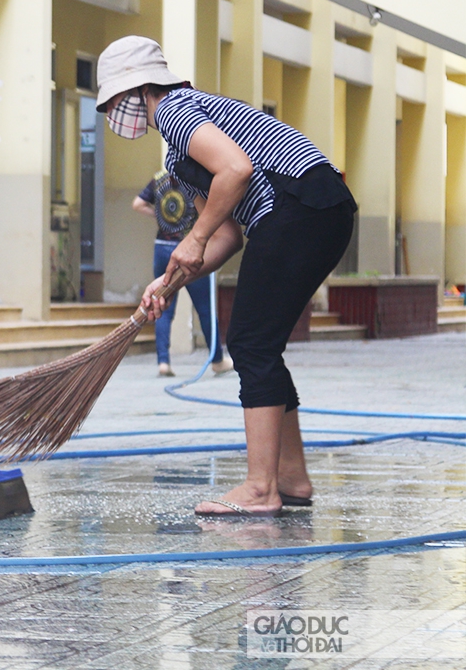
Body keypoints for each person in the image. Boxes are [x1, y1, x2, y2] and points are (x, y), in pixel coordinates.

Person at [96, 35, 356, 517]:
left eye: (114, 99)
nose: (114, 111)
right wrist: (167, 282)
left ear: (140, 88)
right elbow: (224, 237)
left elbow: (236, 170)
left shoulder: (176, 108)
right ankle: (292, 477)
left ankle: (261, 489)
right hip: (322, 209)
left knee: (252, 344)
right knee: (263, 343)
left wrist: (192, 239)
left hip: (297, 205)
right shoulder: (176, 155)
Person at [133, 170, 234, 377]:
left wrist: (158, 217)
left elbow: (138, 204)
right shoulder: (194, 178)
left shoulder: (159, 178)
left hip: (161, 247)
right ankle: (216, 360)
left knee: (162, 304)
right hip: (189, 249)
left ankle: (163, 362)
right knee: (205, 308)